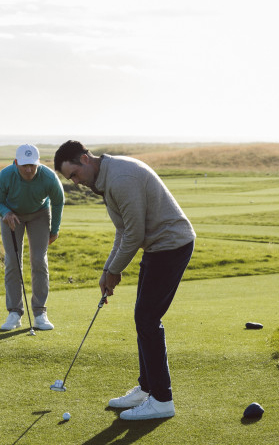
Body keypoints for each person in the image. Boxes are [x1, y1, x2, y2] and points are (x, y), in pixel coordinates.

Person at [54, 140, 195, 421]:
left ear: (85, 159)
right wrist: (108, 270)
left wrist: (115, 271)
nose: (76, 182)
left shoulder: (121, 178)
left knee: (147, 319)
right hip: (157, 247)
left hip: (171, 245)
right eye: (70, 179)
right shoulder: (106, 179)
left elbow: (134, 234)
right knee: (143, 318)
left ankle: (162, 400)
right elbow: (123, 231)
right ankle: (147, 389)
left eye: (74, 174)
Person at [0, 144, 65, 331]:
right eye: (24, 165)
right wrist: (5, 212)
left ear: (38, 163)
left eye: (32, 165)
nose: (29, 169)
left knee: (39, 260)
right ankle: (14, 313)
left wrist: (54, 230)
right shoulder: (6, 175)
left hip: (39, 214)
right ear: (16, 163)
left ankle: (40, 313)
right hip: (11, 216)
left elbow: (58, 201)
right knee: (13, 261)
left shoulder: (48, 177)